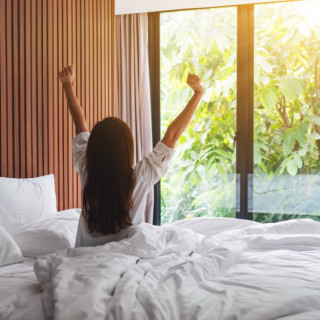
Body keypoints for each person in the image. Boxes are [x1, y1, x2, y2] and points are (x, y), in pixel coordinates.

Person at [59, 64, 204, 247]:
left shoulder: (87, 169)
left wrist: (68, 85)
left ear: (93, 149)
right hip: (122, 261)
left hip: (82, 261)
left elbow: (79, 122)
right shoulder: (140, 176)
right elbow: (172, 135)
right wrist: (197, 94)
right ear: (127, 149)